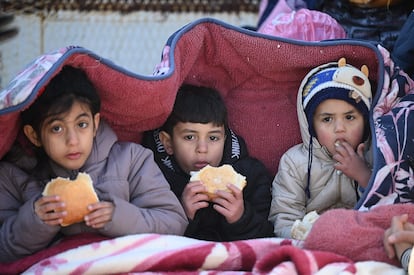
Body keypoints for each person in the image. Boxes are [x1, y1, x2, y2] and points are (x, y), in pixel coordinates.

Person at [0, 65, 188, 262]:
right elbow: (3, 252)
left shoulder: (132, 160)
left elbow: (174, 223)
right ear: (34, 135)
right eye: (57, 128)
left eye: (82, 125)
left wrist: (118, 217)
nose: (72, 140)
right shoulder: (14, 177)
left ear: (95, 123)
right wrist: (35, 222)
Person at [142, 84, 274, 241]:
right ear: (168, 143)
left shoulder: (251, 176)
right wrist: (180, 215)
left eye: (213, 138)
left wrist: (241, 218)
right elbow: (147, 240)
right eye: (190, 137)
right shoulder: (155, 179)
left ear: (224, 139)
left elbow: (270, 237)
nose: (202, 149)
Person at [268, 58, 373, 238]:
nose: (339, 128)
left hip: (362, 238)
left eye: (350, 117)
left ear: (365, 120)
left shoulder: (377, 157)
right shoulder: (294, 162)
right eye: (327, 119)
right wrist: (303, 237)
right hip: (308, 244)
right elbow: (284, 218)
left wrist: (364, 176)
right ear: (311, 126)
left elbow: (390, 209)